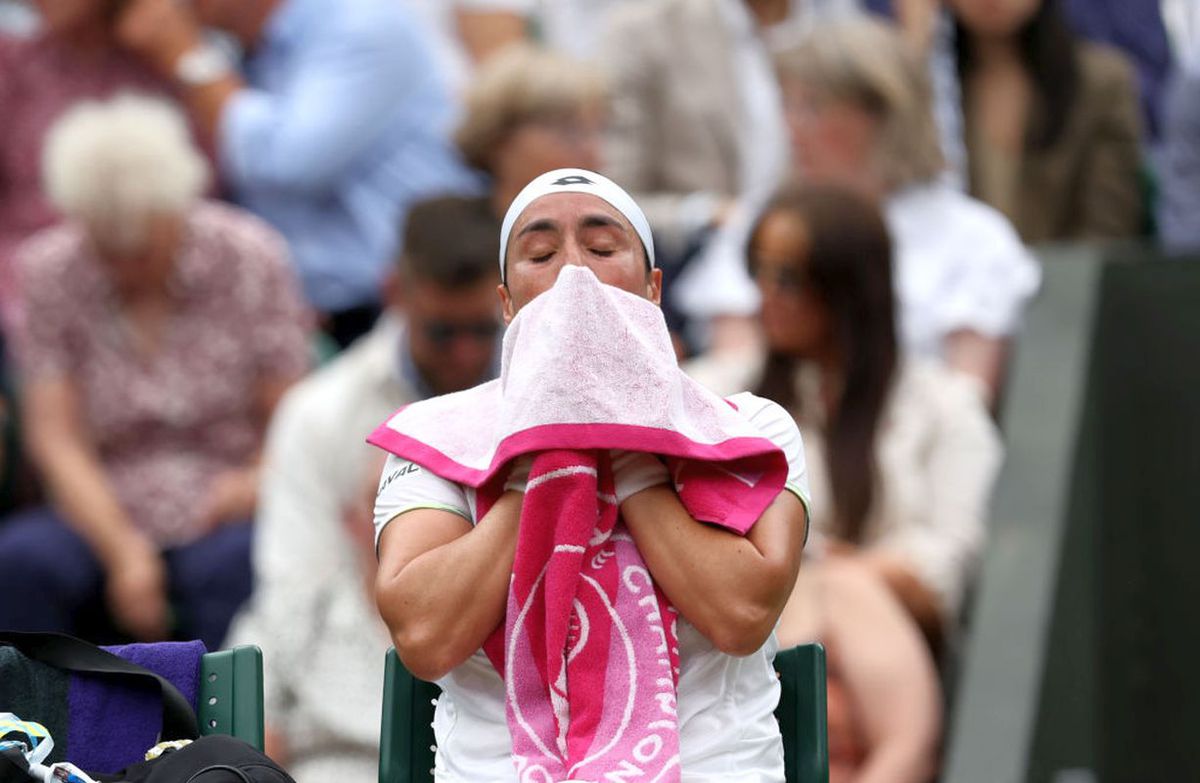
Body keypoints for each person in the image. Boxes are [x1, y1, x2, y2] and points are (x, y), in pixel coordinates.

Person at [373, 169, 811, 782]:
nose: (574, 272)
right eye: (541, 254)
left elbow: (740, 614)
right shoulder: (435, 436)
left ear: (653, 289)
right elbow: (423, 633)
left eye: (602, 249)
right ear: (505, 303)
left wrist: (627, 453)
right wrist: (543, 453)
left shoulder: (750, 427)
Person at [0, 95, 310, 650]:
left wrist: (255, 481)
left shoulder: (249, 256)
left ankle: (231, 733)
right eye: (105, 247)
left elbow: (293, 412)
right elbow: (56, 436)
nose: (122, 265)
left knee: (240, 565)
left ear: (176, 209)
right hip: (99, 500)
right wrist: (122, 549)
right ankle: (38, 733)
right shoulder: (50, 270)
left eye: (139, 249)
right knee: (22, 563)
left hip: (223, 494)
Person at [225, 195, 502, 782]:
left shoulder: (543, 405)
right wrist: (260, 721)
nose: (467, 353)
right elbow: (293, 582)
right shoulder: (319, 413)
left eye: (483, 330)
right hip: (345, 727)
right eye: (442, 331)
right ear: (394, 293)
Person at [113, 0, 478, 347]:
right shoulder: (243, 49)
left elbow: (283, 164)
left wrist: (188, 57)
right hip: (313, 319)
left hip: (412, 316)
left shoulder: (361, 22)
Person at [741, 183, 1002, 649]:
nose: (765, 294)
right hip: (765, 650)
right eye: (756, 270)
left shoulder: (946, 406)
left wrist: (824, 573)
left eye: (786, 276)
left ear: (845, 287)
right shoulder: (725, 392)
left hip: (894, 653)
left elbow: (947, 568)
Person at [774, 14, 1040, 405]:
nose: (792, 128)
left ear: (881, 113)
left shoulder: (975, 239)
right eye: (788, 105)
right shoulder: (769, 223)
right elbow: (735, 382)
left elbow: (966, 404)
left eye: (812, 107)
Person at [0, 0, 190, 326]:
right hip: (23, 290)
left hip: (153, 284)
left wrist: (181, 50)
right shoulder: (12, 63)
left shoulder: (165, 57)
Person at [950, 0, 1145, 243]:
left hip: (1071, 277)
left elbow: (1108, 230)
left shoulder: (1102, 84)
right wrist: (918, 40)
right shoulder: (933, 87)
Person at [454, 42, 607, 220]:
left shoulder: (621, 232)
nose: (594, 154)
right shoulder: (441, 226)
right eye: (570, 133)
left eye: (598, 132)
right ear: (498, 137)